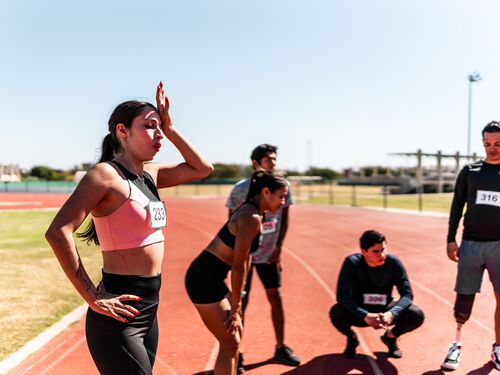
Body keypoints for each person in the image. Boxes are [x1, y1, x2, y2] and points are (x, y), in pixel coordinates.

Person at [45, 81, 213, 375]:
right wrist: (92, 296)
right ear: (122, 131)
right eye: (150, 126)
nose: (158, 133)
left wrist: (171, 127)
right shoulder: (105, 176)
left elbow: (202, 169)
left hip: (149, 308)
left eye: (160, 127)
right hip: (119, 311)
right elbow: (58, 231)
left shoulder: (149, 174)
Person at [185, 171, 288, 375]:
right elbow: (238, 264)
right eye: (281, 196)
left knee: (234, 337)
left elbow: (248, 258)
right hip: (203, 279)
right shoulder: (250, 217)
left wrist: (237, 297)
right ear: (266, 192)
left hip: (212, 278)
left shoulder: (256, 213)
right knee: (230, 342)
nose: (284, 202)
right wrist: (236, 304)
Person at [225, 144, 300, 372]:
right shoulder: (240, 190)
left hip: (268, 254)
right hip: (245, 254)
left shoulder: (282, 186)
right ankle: (237, 353)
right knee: (241, 304)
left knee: (275, 297)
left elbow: (284, 219)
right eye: (268, 159)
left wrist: (278, 248)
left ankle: (280, 347)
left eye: (275, 159)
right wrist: (235, 255)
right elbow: (230, 224)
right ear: (256, 163)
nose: (273, 163)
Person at [442, 121, 500, 370]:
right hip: (471, 245)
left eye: (497, 144)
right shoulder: (470, 171)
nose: (492, 149)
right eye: (487, 144)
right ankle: (456, 346)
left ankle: (498, 348)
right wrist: (450, 238)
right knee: (463, 300)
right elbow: (457, 206)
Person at [329, 230, 425, 359]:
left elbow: (407, 295)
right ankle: (352, 338)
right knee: (336, 312)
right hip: (360, 311)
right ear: (363, 251)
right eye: (376, 251)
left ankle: (390, 337)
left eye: (383, 249)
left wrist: (392, 313)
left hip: (385, 309)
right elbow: (342, 296)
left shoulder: (393, 262)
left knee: (416, 314)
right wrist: (365, 315)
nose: (382, 254)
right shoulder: (352, 263)